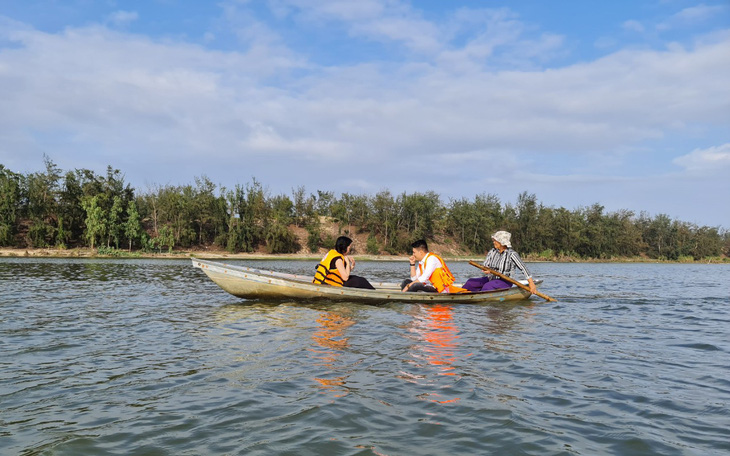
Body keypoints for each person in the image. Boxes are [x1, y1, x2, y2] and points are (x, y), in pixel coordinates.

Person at [462, 230, 538, 294]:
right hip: (491, 279)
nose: (493, 242)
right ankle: (464, 295)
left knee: (488, 286)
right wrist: (487, 269)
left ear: (501, 242)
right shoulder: (492, 252)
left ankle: (480, 296)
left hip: (505, 281)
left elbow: (523, 268)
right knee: (470, 282)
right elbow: (486, 265)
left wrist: (531, 283)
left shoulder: (512, 254)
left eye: (495, 241)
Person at [400, 239, 466, 293]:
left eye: (414, 252)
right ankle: (409, 299)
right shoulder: (422, 262)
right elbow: (414, 279)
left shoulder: (431, 259)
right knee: (406, 282)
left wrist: (408, 286)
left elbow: (423, 278)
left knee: (414, 285)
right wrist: (412, 264)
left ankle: (409, 299)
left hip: (437, 289)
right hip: (426, 286)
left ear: (421, 252)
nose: (413, 254)